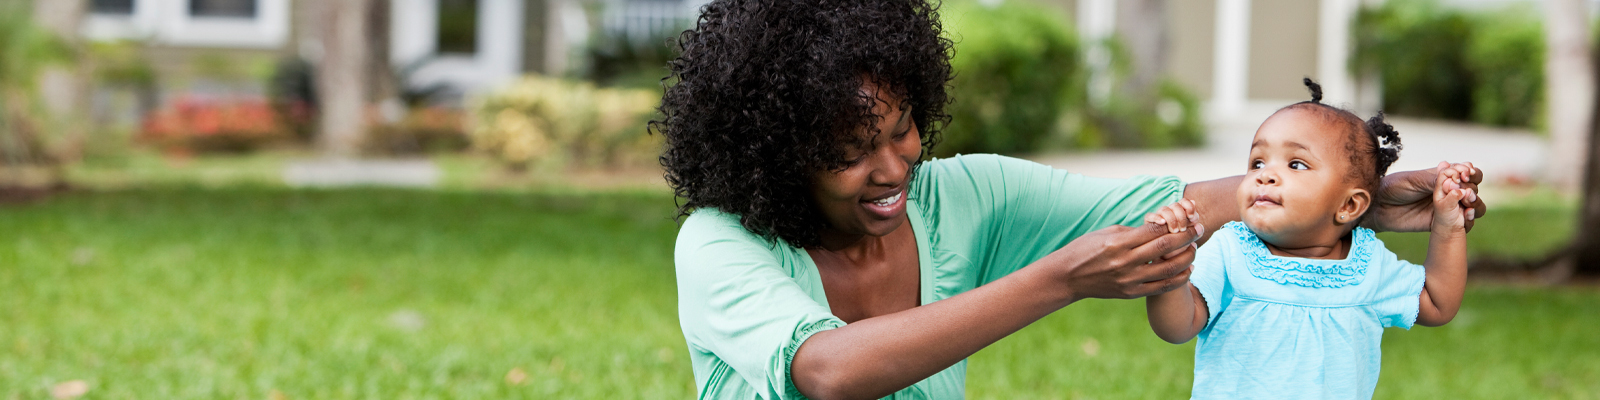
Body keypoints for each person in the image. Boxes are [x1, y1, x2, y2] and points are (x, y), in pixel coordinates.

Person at [656, 1, 1486, 398]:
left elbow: (1181, 201)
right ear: (772, 155)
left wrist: (1359, 199)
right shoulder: (722, 240)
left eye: (902, 130)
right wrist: (1058, 279)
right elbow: (828, 371)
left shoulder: (965, 195)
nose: (891, 167)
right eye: (847, 155)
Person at [1143, 79, 1473, 399]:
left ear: (1349, 205)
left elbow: (1436, 303)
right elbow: (1177, 328)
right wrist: (1168, 269)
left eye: (1296, 164)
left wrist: (1449, 227)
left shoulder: (1368, 264)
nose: (1264, 174)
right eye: (1257, 161)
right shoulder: (1231, 250)